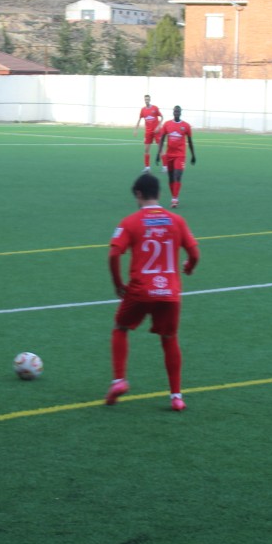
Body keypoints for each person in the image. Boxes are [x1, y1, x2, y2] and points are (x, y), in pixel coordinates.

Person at [104, 173, 200, 412]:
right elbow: (195, 253)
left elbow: (114, 254)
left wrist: (118, 284)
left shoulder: (129, 222)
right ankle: (176, 397)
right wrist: (188, 266)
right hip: (169, 292)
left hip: (139, 290)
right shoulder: (177, 220)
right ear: (159, 193)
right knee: (169, 339)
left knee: (121, 328)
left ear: (138, 194)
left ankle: (119, 381)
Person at [154, 105, 196, 209]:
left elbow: (190, 141)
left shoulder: (186, 126)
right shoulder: (167, 124)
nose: (176, 112)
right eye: (175, 111)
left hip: (180, 155)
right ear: (173, 112)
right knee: (170, 177)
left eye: (178, 111)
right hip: (169, 155)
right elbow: (162, 140)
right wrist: (158, 154)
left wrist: (193, 155)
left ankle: (174, 199)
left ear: (180, 112)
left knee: (177, 175)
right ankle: (174, 196)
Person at [133, 94, 163, 172]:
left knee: (160, 148)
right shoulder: (143, 110)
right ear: (144, 100)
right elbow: (139, 119)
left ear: (150, 99)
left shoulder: (155, 108)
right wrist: (136, 129)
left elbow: (162, 117)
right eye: (145, 99)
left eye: (148, 99)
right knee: (146, 149)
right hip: (148, 132)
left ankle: (165, 167)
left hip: (157, 132)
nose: (147, 100)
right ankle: (147, 167)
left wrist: (158, 126)